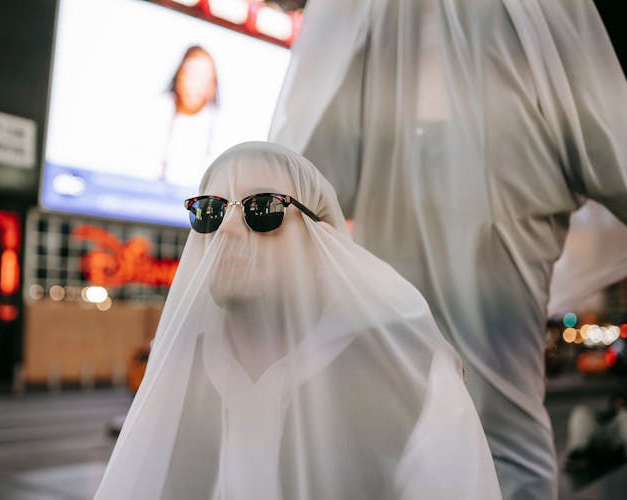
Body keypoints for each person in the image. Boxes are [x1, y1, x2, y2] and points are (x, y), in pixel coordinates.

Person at [269, 2, 627, 499]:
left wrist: (288, 184)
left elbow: (324, 106)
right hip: (452, 177)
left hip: (486, 180)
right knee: (432, 403)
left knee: (479, 406)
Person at [94, 141, 501, 500]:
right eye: (211, 212)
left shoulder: (411, 373)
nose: (229, 231)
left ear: (318, 238)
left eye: (262, 208)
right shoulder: (179, 373)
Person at [146, 45, 220, 187]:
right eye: (192, 73)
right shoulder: (156, 111)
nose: (197, 84)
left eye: (205, 78)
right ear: (180, 74)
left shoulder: (216, 127)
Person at [565, 391, 627, 473]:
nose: (619, 406)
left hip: (619, 447)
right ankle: (578, 453)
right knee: (581, 411)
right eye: (617, 403)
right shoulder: (608, 416)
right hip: (598, 444)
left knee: (624, 415)